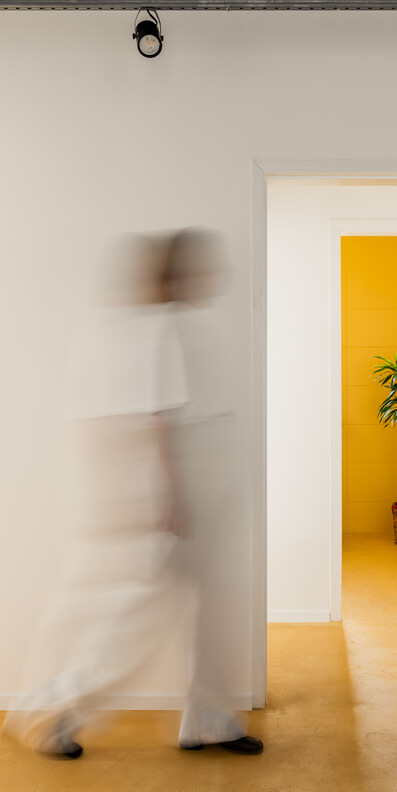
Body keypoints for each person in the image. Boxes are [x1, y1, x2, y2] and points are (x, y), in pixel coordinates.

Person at [3, 230, 263, 757]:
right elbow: (157, 416)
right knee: (140, 614)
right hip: (184, 486)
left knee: (211, 608)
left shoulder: (178, 326)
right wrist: (171, 497)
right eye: (203, 269)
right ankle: (47, 702)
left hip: (202, 481)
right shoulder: (159, 327)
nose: (216, 278)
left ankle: (209, 718)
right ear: (177, 274)